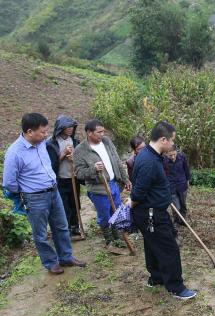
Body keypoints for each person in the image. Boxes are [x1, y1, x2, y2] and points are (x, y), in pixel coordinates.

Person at [2, 113, 86, 274]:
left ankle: (66, 257)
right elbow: (9, 183)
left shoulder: (42, 144)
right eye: (42, 132)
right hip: (35, 198)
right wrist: (27, 192)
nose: (46, 135)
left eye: (47, 131)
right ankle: (50, 262)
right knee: (40, 233)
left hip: (54, 191)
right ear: (29, 132)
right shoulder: (15, 153)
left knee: (61, 226)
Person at [130, 121, 197, 300]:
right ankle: (176, 287)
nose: (173, 144)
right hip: (151, 214)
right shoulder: (149, 161)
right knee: (169, 249)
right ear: (163, 139)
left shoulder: (150, 155)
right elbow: (137, 193)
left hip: (152, 212)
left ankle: (156, 277)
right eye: (172, 140)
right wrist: (132, 206)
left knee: (153, 245)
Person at [73, 119, 131, 254]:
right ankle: (109, 240)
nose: (102, 134)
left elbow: (117, 160)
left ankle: (118, 237)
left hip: (114, 184)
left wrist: (125, 178)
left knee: (116, 211)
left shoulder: (106, 142)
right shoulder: (80, 151)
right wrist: (93, 169)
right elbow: (79, 173)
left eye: (103, 131)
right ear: (89, 133)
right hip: (98, 189)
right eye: (99, 132)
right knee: (105, 215)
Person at [45, 115, 82, 237]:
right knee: (64, 206)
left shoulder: (75, 141)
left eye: (72, 126)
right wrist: (63, 154)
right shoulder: (51, 143)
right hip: (60, 180)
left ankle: (75, 226)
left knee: (75, 203)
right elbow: (50, 165)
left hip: (73, 178)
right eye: (68, 127)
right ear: (61, 128)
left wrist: (74, 158)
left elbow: (80, 160)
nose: (71, 129)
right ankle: (65, 229)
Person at [164, 144, 191, 227]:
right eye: (170, 155)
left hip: (182, 185)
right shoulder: (164, 160)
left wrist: (188, 180)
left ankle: (182, 220)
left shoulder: (182, 157)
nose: (172, 157)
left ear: (176, 151)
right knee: (176, 207)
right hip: (171, 186)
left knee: (183, 205)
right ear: (166, 153)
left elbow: (186, 169)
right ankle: (176, 220)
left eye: (174, 154)